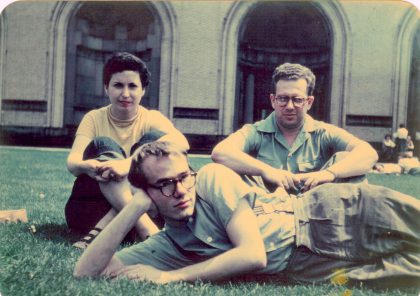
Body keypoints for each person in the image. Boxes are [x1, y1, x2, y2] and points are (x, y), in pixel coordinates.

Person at [73, 141, 420, 285]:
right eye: (164, 185)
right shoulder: (169, 245)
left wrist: (168, 278)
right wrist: (132, 206)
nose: (179, 191)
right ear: (147, 192)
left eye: (182, 178)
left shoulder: (209, 178)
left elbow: (252, 255)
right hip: (311, 266)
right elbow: (85, 273)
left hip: (330, 213)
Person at [65, 52, 189, 248]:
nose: (125, 94)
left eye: (132, 86)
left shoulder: (151, 118)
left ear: (143, 91)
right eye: (118, 85)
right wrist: (86, 166)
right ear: (106, 88)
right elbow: (72, 163)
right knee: (103, 145)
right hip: (92, 208)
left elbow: (181, 142)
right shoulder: (94, 118)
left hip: (146, 211)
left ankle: (117, 228)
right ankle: (145, 230)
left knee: (152, 142)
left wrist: (126, 165)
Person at [212, 63, 378, 193]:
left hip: (316, 210)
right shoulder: (255, 132)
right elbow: (220, 152)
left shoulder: (324, 133)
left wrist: (329, 174)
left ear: (309, 102)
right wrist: (266, 171)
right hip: (267, 210)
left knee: (345, 160)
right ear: (273, 100)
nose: (289, 106)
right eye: (283, 98)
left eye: (297, 99)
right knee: (216, 173)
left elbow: (368, 153)